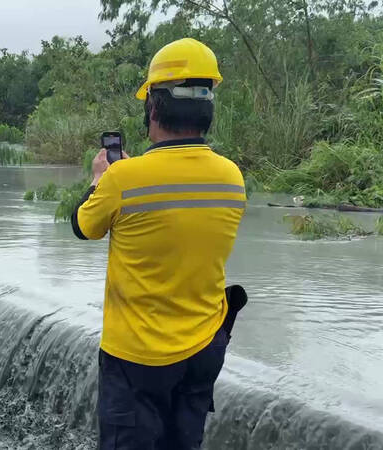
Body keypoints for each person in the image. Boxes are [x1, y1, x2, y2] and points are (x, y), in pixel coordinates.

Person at [71, 38, 246, 449]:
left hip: (137, 358)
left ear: (153, 106)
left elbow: (83, 227)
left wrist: (99, 180)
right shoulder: (232, 178)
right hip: (204, 349)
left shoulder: (123, 178)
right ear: (208, 108)